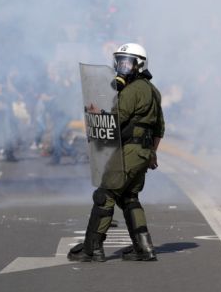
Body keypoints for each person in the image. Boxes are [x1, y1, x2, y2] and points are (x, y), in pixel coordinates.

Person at [68, 43, 164, 262]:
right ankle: (144, 247)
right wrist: (151, 153)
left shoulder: (132, 91)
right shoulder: (153, 91)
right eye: (120, 62)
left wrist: (96, 113)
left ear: (139, 65)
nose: (122, 67)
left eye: (127, 62)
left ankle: (92, 249)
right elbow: (159, 128)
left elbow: (114, 120)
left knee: (105, 195)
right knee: (130, 197)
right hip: (142, 153)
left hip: (128, 152)